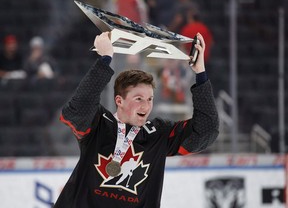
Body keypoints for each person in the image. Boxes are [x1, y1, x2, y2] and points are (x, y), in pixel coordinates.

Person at [53, 32, 219, 208]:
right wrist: (104, 60)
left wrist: (200, 74)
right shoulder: (99, 124)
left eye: (150, 99)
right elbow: (76, 111)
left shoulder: (158, 135)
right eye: (138, 99)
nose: (146, 106)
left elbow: (206, 131)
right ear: (119, 100)